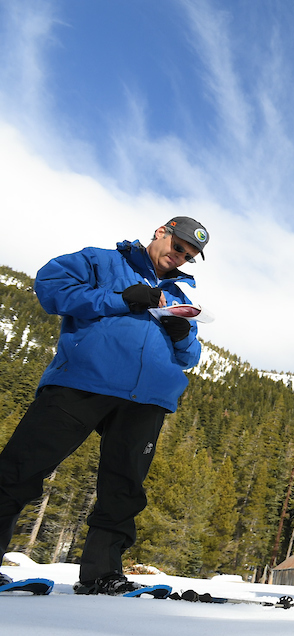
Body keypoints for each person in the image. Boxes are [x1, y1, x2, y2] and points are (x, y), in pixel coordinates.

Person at [0, 217, 208, 595]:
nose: (180, 258)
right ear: (161, 232)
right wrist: (120, 299)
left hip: (147, 399)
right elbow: (50, 287)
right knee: (20, 467)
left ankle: (102, 575)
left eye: (188, 256)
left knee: (124, 489)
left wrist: (181, 336)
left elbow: (189, 355)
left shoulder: (181, 297)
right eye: (178, 248)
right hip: (82, 382)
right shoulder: (101, 261)